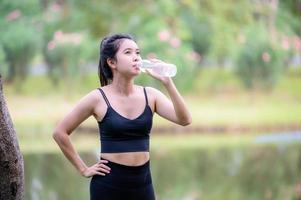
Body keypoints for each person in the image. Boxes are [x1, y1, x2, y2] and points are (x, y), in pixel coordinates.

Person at [53, 33, 192, 200]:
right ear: (112, 62)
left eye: (137, 52)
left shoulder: (151, 95)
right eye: (128, 52)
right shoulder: (97, 98)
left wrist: (168, 83)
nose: (136, 57)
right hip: (108, 186)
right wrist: (83, 169)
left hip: (143, 185)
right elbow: (60, 133)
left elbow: (184, 120)